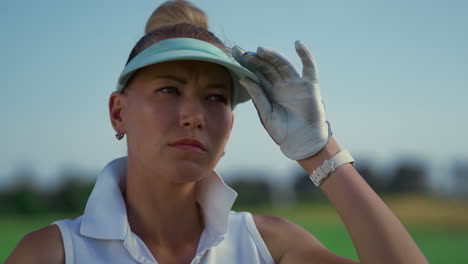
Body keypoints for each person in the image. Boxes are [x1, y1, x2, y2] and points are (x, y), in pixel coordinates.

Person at [6, 1, 428, 263]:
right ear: (118, 112)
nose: (194, 116)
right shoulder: (52, 254)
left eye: (215, 98)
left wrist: (320, 153)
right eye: (169, 89)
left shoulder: (269, 245)